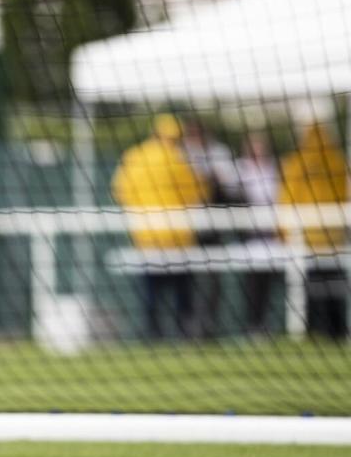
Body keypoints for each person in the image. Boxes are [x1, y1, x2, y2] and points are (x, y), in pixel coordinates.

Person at [111, 114, 210, 340]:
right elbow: (198, 194)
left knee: (151, 292)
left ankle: (152, 334)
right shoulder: (181, 159)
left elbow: (120, 191)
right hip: (179, 238)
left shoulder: (134, 157)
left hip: (146, 237)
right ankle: (183, 334)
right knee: (181, 291)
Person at [279, 122, 348, 340]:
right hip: (331, 239)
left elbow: (287, 198)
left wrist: (284, 230)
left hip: (308, 239)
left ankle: (312, 331)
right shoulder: (336, 162)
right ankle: (334, 332)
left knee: (308, 290)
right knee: (330, 288)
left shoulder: (298, 163)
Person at [181, 117, 238, 338]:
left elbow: (231, 185)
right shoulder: (181, 154)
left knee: (214, 277)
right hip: (188, 227)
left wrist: (214, 177)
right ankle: (190, 325)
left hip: (215, 224)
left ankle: (208, 324)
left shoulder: (219, 153)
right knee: (188, 275)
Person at [235, 132, 280, 334]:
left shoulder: (274, 169)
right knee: (251, 284)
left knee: (267, 283)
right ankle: (252, 325)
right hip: (249, 235)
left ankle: (262, 324)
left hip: (272, 235)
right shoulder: (240, 170)